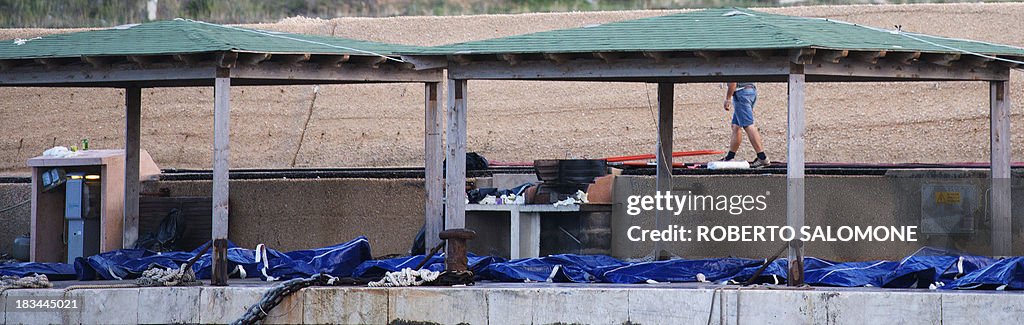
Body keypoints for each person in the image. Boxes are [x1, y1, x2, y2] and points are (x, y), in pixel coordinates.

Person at [721, 82, 770, 168]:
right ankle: (730, 157)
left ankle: (762, 158)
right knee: (736, 126)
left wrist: (728, 99)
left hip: (741, 93)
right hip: (750, 91)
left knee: (748, 125)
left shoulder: (731, 67)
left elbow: (733, 81)